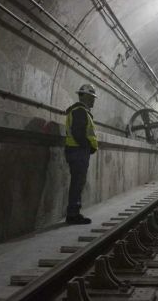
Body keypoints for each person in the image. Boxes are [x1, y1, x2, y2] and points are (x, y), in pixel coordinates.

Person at [64, 83, 98, 224]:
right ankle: (73, 214)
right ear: (85, 96)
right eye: (92, 97)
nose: (93, 100)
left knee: (78, 182)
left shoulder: (81, 111)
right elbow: (78, 134)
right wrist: (88, 147)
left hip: (76, 150)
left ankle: (74, 212)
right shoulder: (79, 111)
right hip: (78, 151)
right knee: (77, 183)